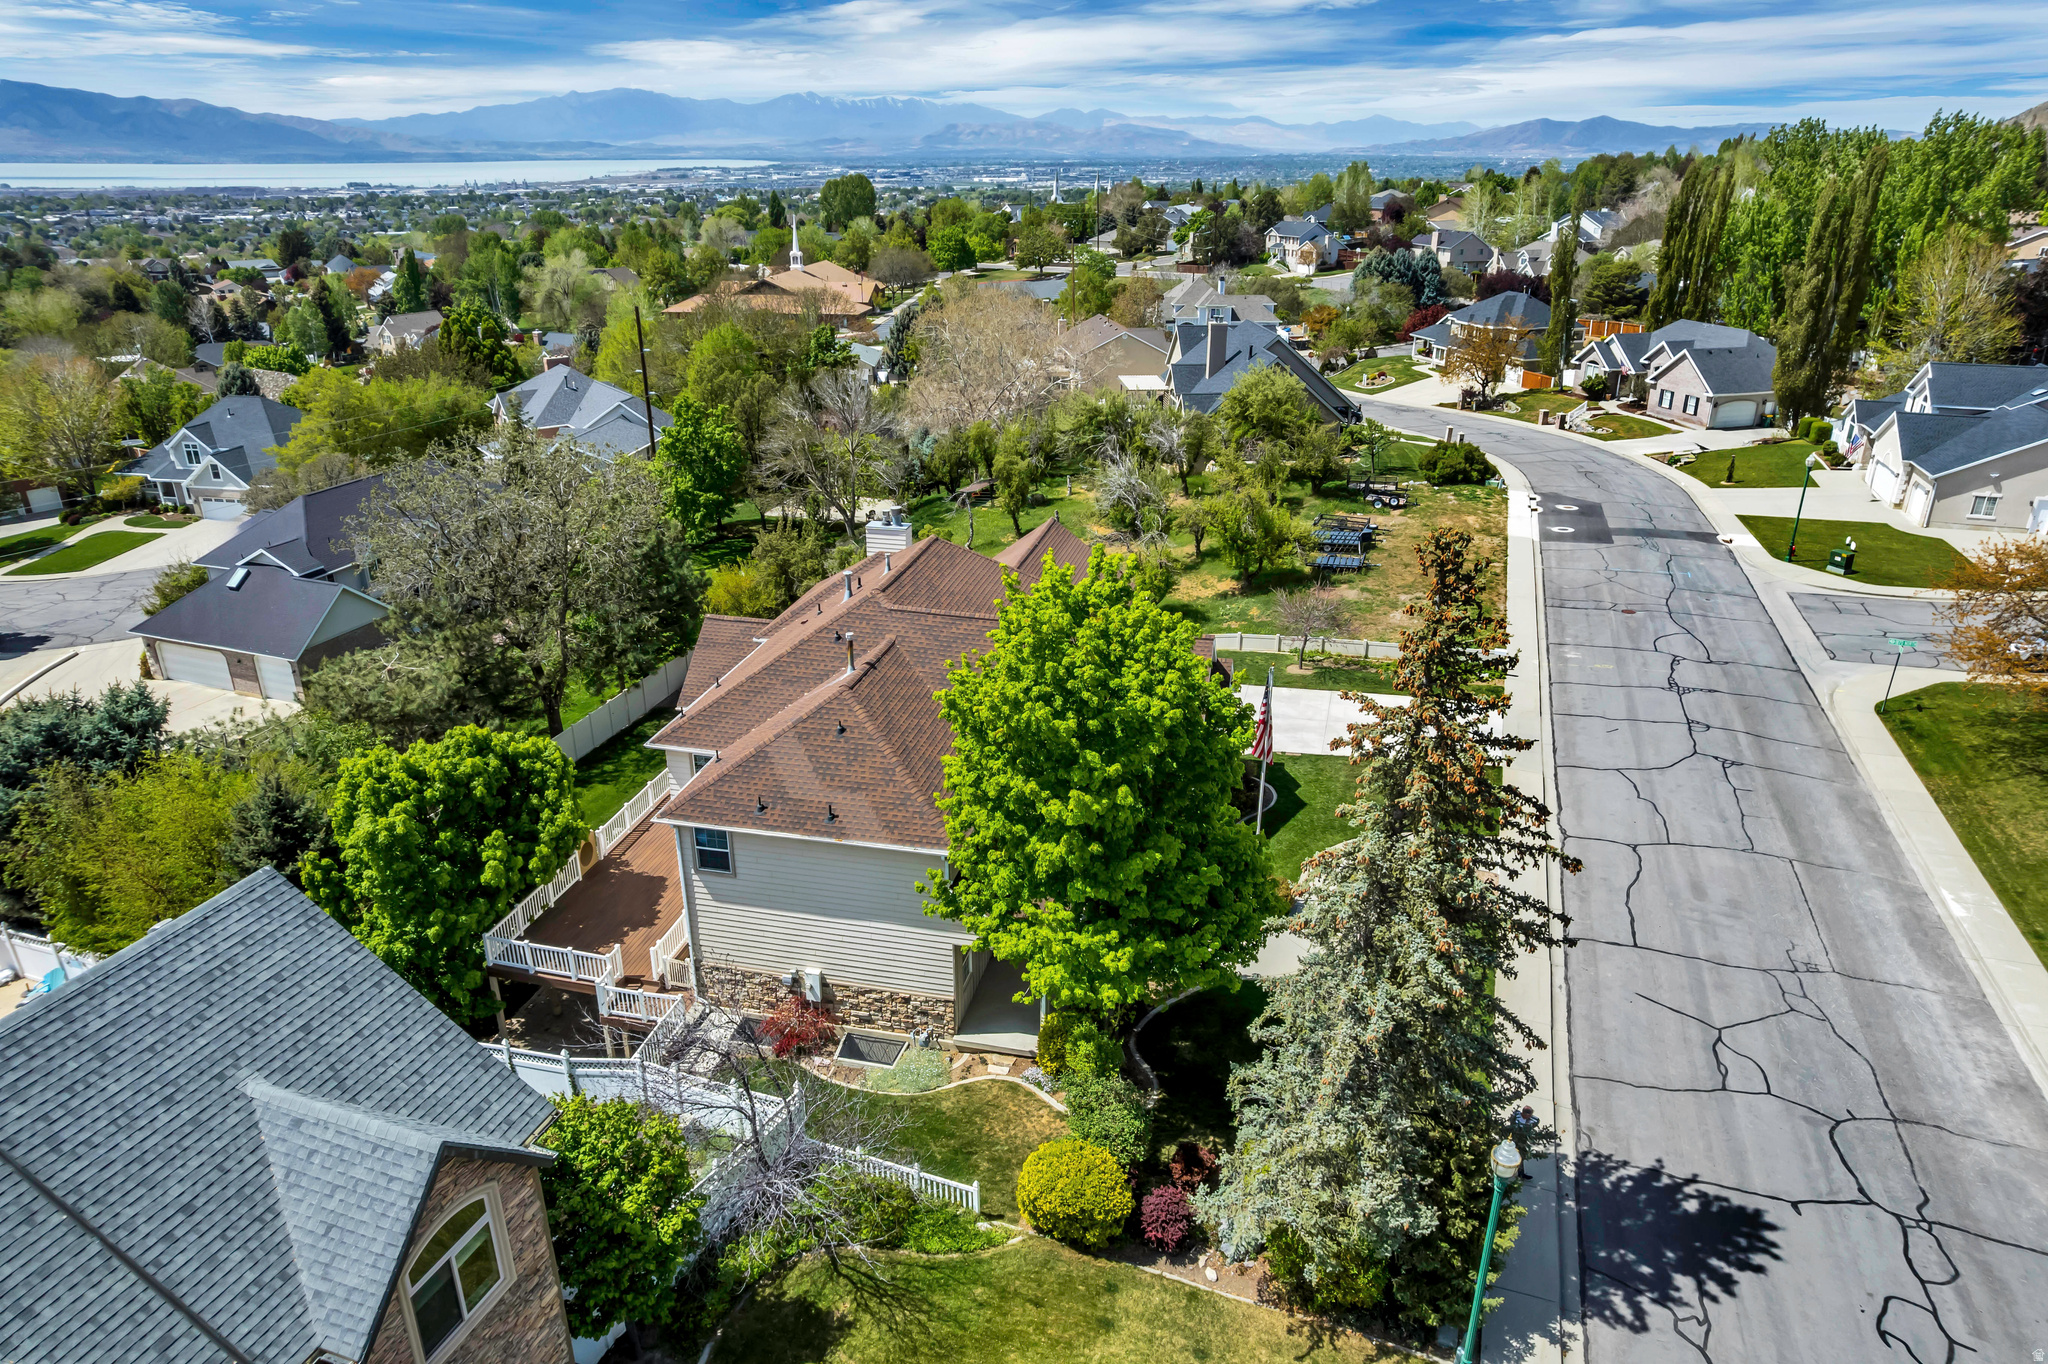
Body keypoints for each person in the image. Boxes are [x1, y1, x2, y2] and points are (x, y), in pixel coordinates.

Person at [1508, 1105, 1540, 1180]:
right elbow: (1513, 1124)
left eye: (1530, 1115)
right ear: (1523, 1113)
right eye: (1527, 1115)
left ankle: (1521, 1173)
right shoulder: (1516, 1115)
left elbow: (1536, 1122)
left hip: (1522, 1141)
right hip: (1513, 1139)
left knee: (1520, 1156)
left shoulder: (1532, 1120)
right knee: (1510, 1154)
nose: (1528, 1117)